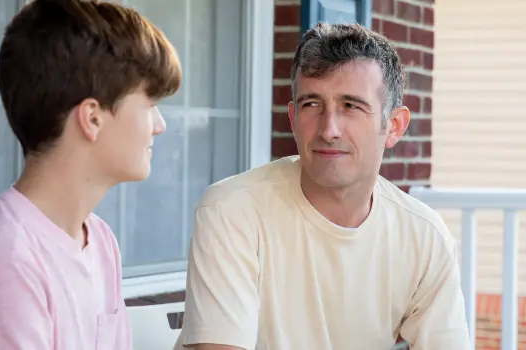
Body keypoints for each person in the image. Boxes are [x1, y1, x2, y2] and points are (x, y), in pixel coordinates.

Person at [174, 22, 470, 350]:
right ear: (293, 119)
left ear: (394, 126)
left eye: (351, 106)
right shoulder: (233, 211)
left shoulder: (424, 236)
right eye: (311, 104)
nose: (329, 129)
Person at [0, 0, 181, 349]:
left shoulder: (99, 241)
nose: (160, 125)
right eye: (150, 105)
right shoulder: (2, 257)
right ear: (92, 118)